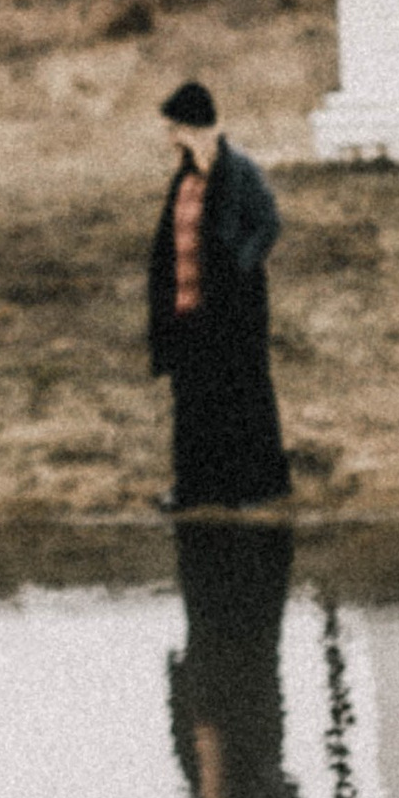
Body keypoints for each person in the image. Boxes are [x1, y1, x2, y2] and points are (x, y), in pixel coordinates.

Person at [146, 79, 290, 517]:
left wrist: (240, 268)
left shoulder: (239, 169)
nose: (171, 138)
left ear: (195, 126)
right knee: (192, 400)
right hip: (188, 307)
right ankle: (193, 487)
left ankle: (252, 486)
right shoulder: (185, 176)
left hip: (232, 308)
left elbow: (268, 224)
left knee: (239, 396)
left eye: (176, 128)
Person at [166, 517, 303, 798]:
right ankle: (245, 531)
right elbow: (204, 759)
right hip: (241, 707)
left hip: (242, 704)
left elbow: (201, 760)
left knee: (229, 614)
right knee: (235, 617)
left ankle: (241, 532)